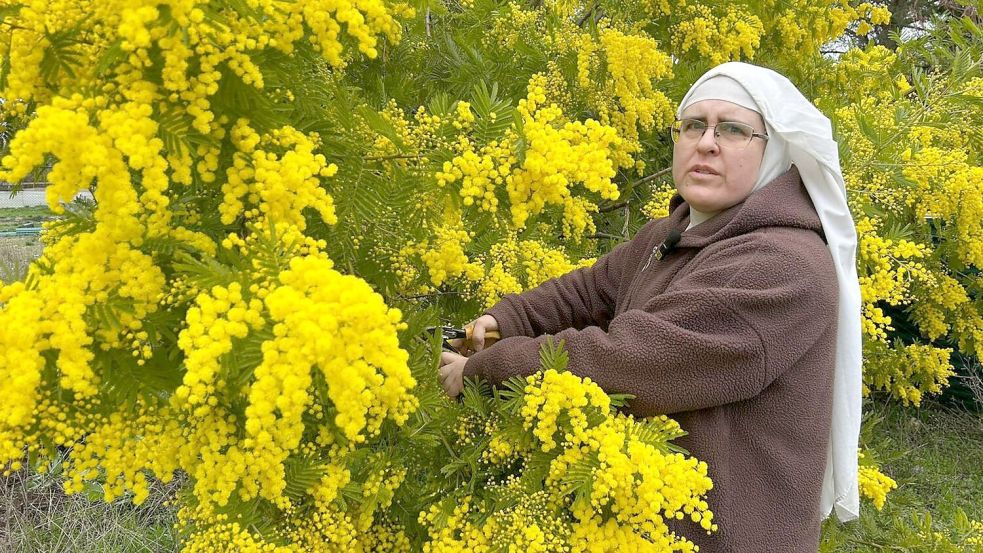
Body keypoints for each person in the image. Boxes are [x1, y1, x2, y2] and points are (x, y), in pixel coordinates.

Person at [438, 61, 863, 551]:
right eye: (692, 125)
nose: (706, 142)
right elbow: (588, 293)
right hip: (640, 525)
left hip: (729, 537)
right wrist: (503, 319)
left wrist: (486, 369)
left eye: (732, 129)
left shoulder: (783, 265)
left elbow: (635, 361)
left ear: (776, 152)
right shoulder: (673, 233)